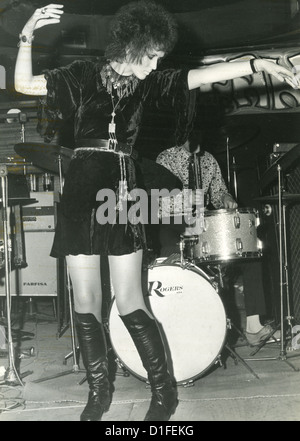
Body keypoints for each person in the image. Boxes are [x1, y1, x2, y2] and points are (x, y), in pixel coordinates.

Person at [14, 1, 296, 422]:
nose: (156, 63)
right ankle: (98, 393)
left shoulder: (150, 85)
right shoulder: (83, 74)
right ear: (134, 46)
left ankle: (163, 393)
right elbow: (24, 85)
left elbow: (201, 76)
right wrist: (27, 34)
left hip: (123, 189)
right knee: (87, 301)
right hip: (81, 186)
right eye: (153, 55)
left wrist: (264, 63)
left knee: (129, 299)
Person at [156, 131, 280, 346]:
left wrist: (226, 198)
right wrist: (185, 215)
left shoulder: (209, 159)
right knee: (174, 267)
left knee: (251, 255)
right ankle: (180, 333)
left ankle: (253, 326)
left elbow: (219, 191)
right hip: (174, 225)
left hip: (204, 227)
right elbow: (161, 202)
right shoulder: (165, 159)